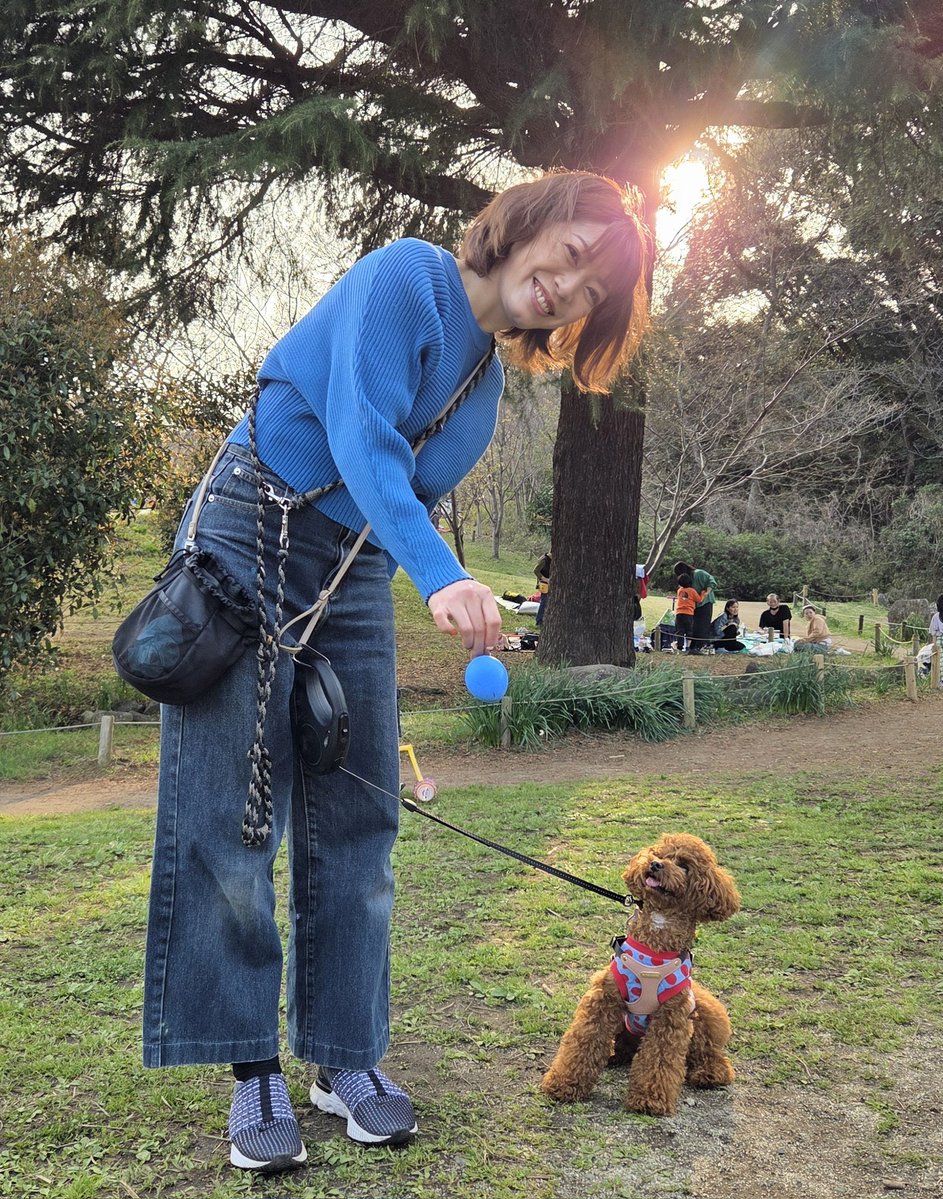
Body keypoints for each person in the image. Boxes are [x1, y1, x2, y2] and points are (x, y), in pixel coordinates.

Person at [142, 171, 655, 1173]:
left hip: (351, 564)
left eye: (594, 291)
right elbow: (360, 434)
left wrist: (434, 568)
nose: (569, 285)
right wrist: (443, 571)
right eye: (578, 250)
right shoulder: (404, 277)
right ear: (534, 221)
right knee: (234, 811)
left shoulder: (488, 387)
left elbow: (397, 490)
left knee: (361, 814)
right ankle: (254, 1071)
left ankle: (345, 1056)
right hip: (251, 530)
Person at [672, 571, 703, 651]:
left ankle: (680, 646)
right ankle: (688, 646)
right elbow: (699, 600)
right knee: (689, 630)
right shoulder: (692, 591)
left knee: (680, 630)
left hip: (679, 613)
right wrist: (703, 594)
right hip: (688, 613)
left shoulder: (679, 590)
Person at [534, 551, 552, 626]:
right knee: (544, 602)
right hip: (544, 584)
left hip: (550, 583)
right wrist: (544, 579)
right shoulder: (544, 560)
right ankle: (539, 621)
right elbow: (536, 571)